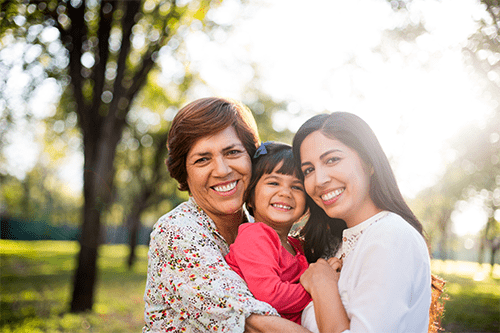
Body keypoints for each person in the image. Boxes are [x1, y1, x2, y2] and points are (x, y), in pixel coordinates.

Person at [143, 97, 310, 333]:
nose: (222, 170)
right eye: (202, 159)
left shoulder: (260, 225)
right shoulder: (176, 232)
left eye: (232, 152)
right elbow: (255, 324)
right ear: (185, 173)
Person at [292, 112, 432, 333]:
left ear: (369, 162)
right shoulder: (343, 243)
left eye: (332, 160)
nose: (319, 180)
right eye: (308, 170)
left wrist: (322, 285)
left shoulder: (390, 235)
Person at [225, 142, 311, 325]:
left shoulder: (296, 244)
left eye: (297, 187)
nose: (285, 193)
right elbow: (271, 294)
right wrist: (319, 289)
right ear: (250, 195)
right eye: (273, 183)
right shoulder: (255, 236)